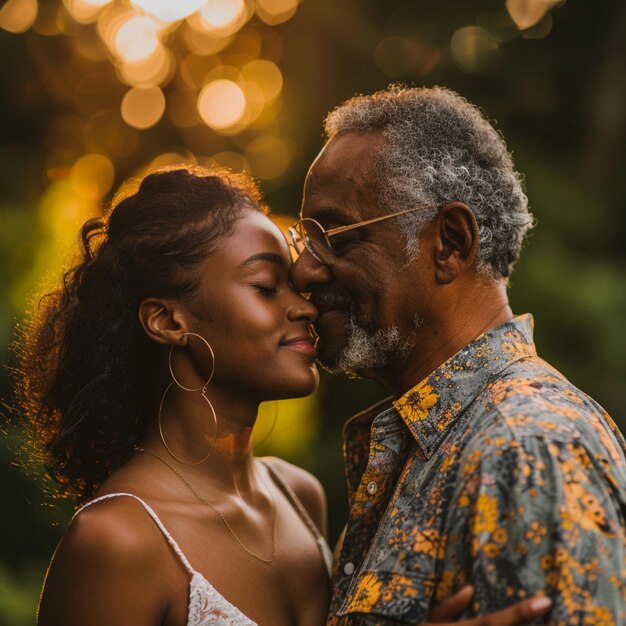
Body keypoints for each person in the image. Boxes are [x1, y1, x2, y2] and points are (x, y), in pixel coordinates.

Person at [16, 165, 549, 626]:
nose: (307, 308)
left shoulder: (300, 497)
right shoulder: (117, 540)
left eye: (297, 286)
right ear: (167, 320)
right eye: (268, 288)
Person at [289, 86, 626, 625]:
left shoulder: (525, 451)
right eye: (302, 239)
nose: (303, 270)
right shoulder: (432, 444)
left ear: (448, 242)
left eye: (334, 235)